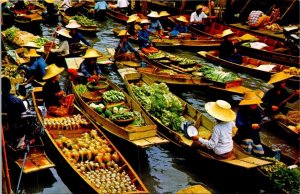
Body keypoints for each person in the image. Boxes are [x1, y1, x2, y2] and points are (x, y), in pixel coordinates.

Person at [235, 91, 264, 156]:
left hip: (254, 135)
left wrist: (258, 127)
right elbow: (238, 124)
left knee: (260, 153)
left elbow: (260, 122)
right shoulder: (241, 111)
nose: (255, 105)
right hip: (243, 134)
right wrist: (250, 125)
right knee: (248, 144)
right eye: (253, 104)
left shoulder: (257, 111)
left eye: (256, 104)